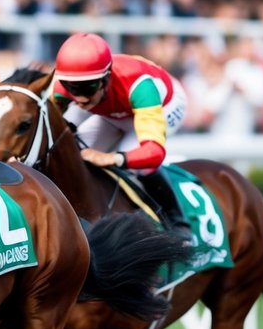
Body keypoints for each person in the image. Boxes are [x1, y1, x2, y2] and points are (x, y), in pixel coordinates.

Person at [49, 32, 189, 231]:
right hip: (114, 110)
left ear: (106, 79)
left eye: (88, 87)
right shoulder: (66, 88)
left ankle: (177, 220)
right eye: (71, 87)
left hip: (164, 103)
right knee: (70, 147)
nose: (79, 97)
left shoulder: (141, 87)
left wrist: (113, 158)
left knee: (136, 164)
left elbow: (154, 152)